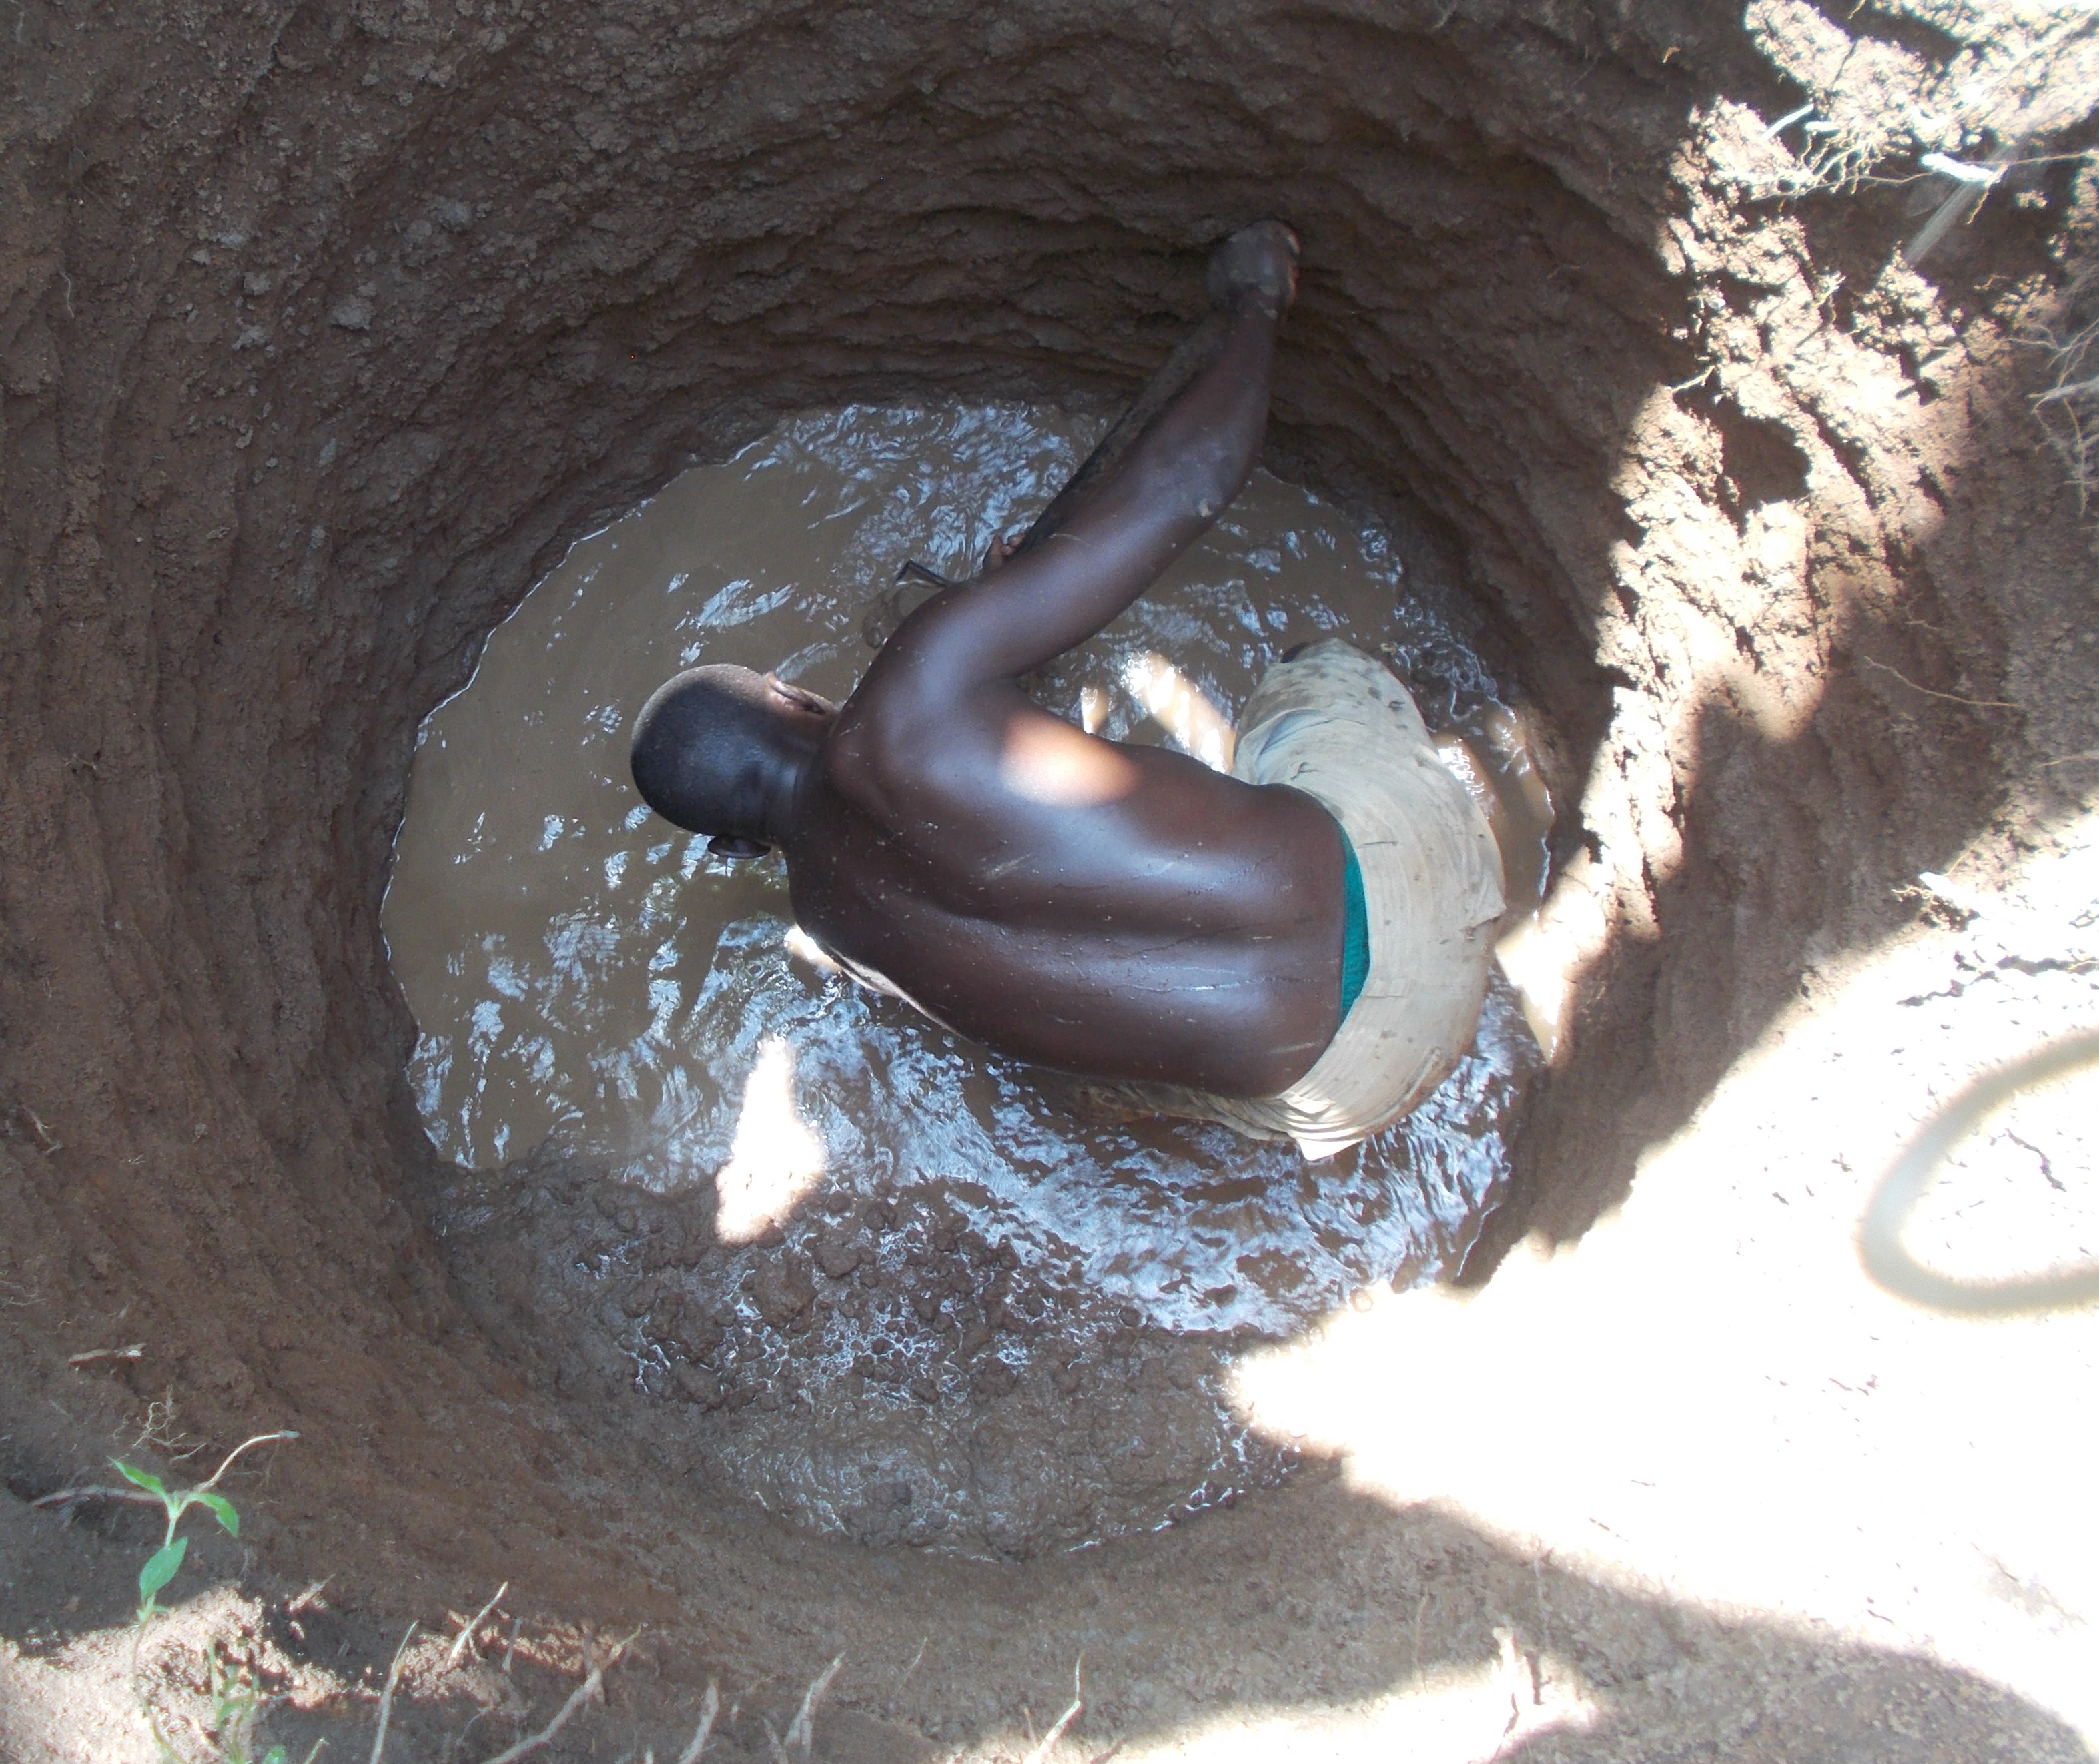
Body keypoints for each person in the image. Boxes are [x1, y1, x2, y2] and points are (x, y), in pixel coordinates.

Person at [626, 223, 1503, 1160]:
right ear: (788, 691)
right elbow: (1186, 481)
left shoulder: (834, 932)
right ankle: (1384, 714)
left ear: (731, 848)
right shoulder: (922, 682)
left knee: (1115, 1070)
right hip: (1403, 866)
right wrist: (1254, 302)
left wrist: (988, 659)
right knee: (1307, 672)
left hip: (1354, 1082)